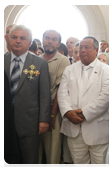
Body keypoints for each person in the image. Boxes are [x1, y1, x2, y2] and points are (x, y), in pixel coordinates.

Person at [58, 36, 109, 167]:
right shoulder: (69, 69)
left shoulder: (108, 71)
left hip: (97, 128)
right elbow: (62, 94)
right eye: (81, 48)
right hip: (73, 128)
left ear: (96, 50)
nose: (82, 50)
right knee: (79, 165)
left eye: (87, 47)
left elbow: (105, 98)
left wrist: (83, 114)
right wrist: (68, 112)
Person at [4, 25, 51, 167]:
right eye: (15, 37)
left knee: (29, 161)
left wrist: (44, 119)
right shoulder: (2, 60)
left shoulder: (39, 63)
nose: (18, 41)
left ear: (29, 42)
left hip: (29, 122)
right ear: (9, 39)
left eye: (22, 38)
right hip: (5, 121)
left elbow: (44, 94)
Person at [38, 30, 70, 167]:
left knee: (53, 151)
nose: (50, 41)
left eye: (54, 39)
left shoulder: (63, 60)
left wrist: (51, 114)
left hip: (53, 111)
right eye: (47, 38)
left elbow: (60, 89)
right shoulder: (36, 58)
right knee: (35, 151)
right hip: (35, 110)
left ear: (58, 44)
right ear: (43, 40)